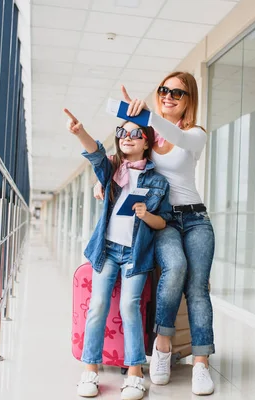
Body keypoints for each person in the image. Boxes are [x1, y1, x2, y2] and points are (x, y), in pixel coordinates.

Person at [94, 72, 216, 396]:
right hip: (163, 221)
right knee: (174, 267)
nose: (168, 96)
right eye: (164, 90)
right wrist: (101, 180)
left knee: (198, 286)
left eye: (177, 92)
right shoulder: (149, 134)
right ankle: (162, 344)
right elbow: (124, 160)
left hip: (196, 219)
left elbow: (177, 134)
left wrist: (145, 113)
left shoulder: (196, 134)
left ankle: (201, 365)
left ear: (189, 99)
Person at [65, 108, 171, 400]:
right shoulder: (111, 170)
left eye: (135, 133)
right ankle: (90, 370)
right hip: (107, 250)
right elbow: (96, 154)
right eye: (122, 133)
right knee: (97, 305)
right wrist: (80, 132)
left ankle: (135, 373)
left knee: (130, 307)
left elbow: (162, 222)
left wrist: (146, 214)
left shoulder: (159, 181)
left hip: (136, 254)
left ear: (147, 141)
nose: (127, 137)